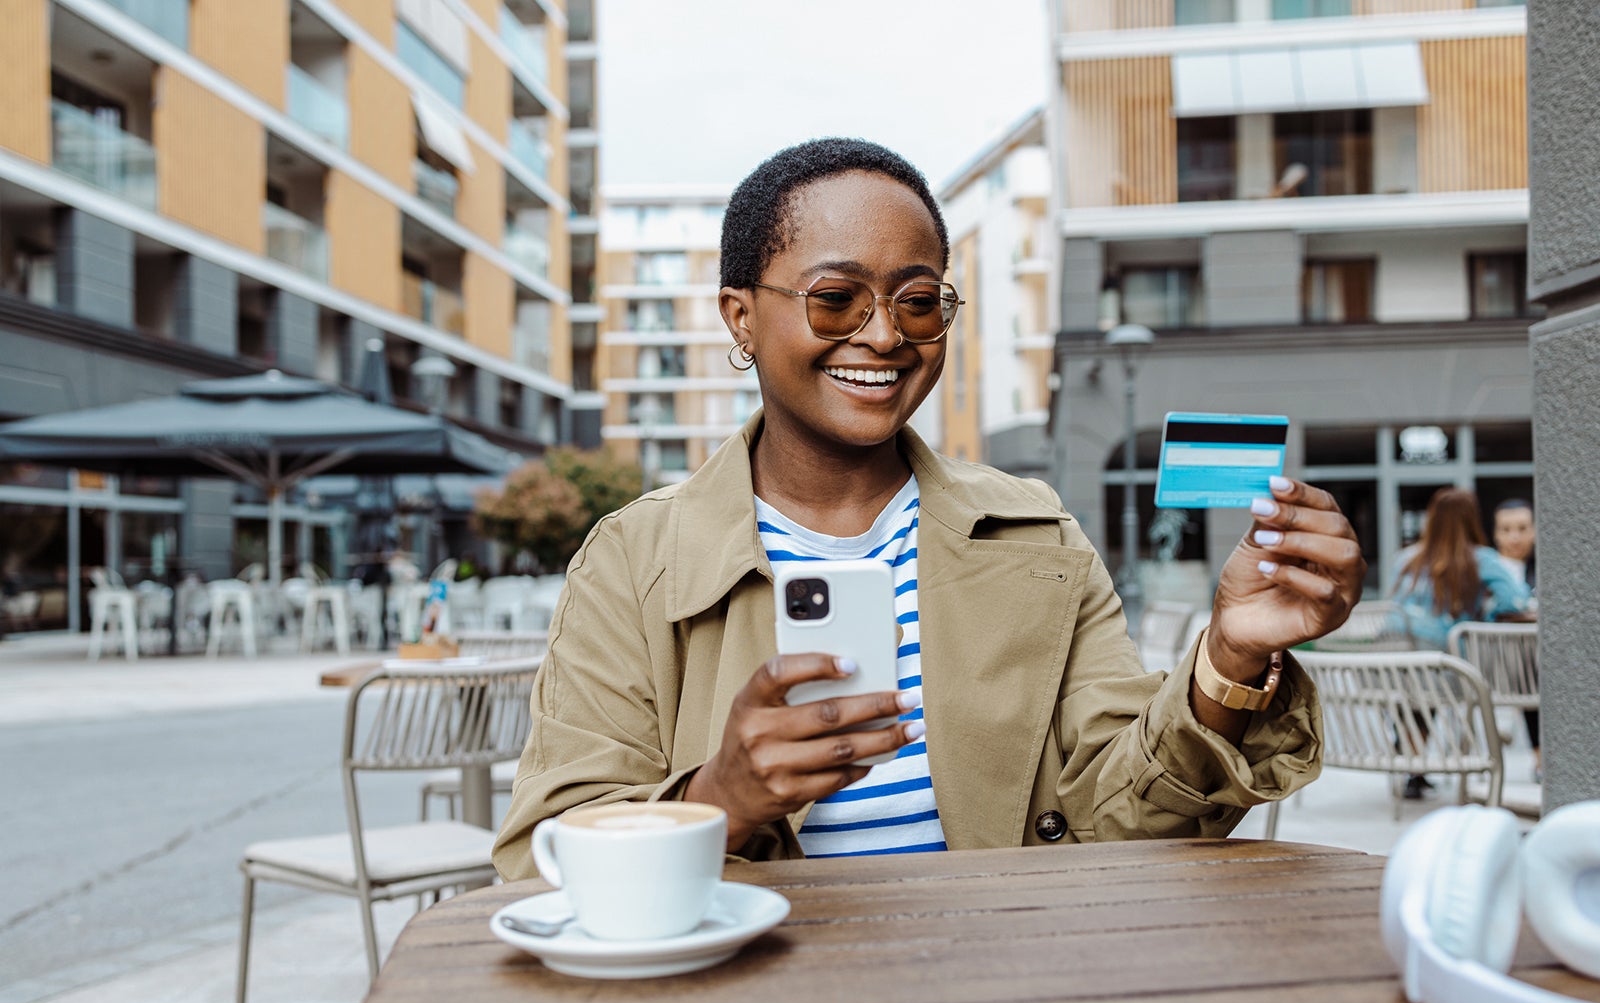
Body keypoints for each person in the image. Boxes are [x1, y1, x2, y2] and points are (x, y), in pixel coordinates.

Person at [492, 139, 1366, 874]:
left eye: (918, 301)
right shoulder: (633, 561)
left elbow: (1122, 820)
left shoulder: (1038, 537)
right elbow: (544, 855)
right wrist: (721, 798)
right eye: (836, 298)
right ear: (740, 317)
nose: (883, 336)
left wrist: (1231, 657)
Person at [1391, 487, 1532, 798]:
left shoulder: (1405, 559)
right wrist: (1487, 611)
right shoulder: (1481, 559)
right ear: (1472, 520)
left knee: (1417, 678)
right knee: (1439, 670)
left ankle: (1412, 768)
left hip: (1395, 671)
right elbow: (1516, 601)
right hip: (1451, 672)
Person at [1492, 497, 1540, 775]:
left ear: (1534, 530)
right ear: (1496, 533)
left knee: (1533, 669)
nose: (1515, 537)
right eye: (1507, 529)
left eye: (1522, 528)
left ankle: (1541, 760)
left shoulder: (1544, 570)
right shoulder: (1485, 570)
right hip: (1489, 662)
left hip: (1528, 664)